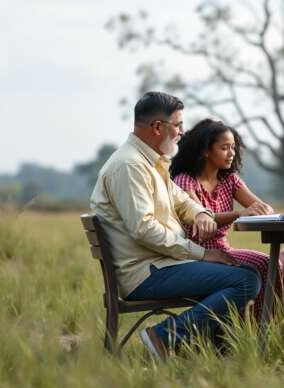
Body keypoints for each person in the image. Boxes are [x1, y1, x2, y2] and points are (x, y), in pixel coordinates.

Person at [90, 92, 261, 360]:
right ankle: (166, 337)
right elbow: (144, 229)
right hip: (147, 273)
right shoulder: (130, 166)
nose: (182, 132)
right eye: (178, 125)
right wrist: (202, 253)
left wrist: (201, 213)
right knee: (246, 280)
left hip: (161, 264)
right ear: (158, 127)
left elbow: (180, 199)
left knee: (238, 270)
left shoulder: (151, 161)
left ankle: (211, 349)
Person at [169, 118, 277, 320]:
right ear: (206, 151)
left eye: (233, 147)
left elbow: (260, 206)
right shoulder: (185, 180)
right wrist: (239, 214)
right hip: (198, 254)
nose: (232, 153)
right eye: (224, 147)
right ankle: (242, 328)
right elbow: (200, 217)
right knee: (258, 268)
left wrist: (264, 209)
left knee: (270, 265)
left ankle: (262, 327)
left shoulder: (229, 179)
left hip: (223, 250)